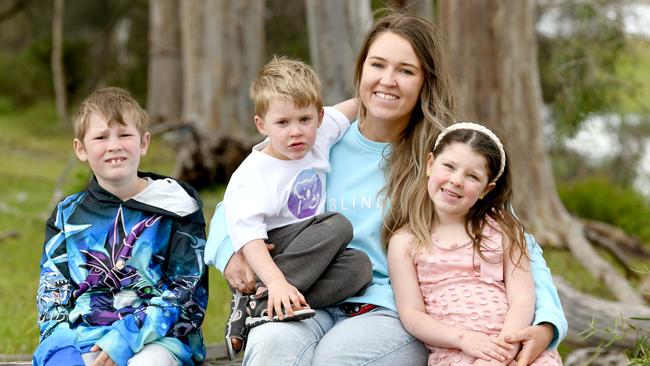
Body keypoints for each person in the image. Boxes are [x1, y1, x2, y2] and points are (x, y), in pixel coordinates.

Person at [205, 12, 567, 365]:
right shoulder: (315, 138)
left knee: (336, 358)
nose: (388, 80)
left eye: (406, 71)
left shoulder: (443, 158)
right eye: (378, 65)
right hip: (310, 293)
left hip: (392, 308)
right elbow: (237, 203)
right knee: (271, 344)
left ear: (426, 81)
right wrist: (230, 252)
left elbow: (518, 244)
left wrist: (547, 324)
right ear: (361, 69)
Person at [34, 87, 209, 366]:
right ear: (81, 148)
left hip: (158, 339)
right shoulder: (68, 214)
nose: (114, 145)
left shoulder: (177, 207)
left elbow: (188, 294)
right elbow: (52, 290)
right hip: (80, 336)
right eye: (101, 137)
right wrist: (68, 342)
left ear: (143, 142)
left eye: (124, 134)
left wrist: (125, 339)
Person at [218, 56, 371, 360]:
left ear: (319, 117)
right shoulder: (252, 176)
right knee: (338, 225)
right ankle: (268, 292)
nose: (296, 132)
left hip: (309, 252)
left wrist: (372, 93)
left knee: (359, 268)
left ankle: (260, 307)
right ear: (262, 124)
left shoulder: (320, 135)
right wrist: (274, 280)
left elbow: (352, 106)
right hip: (271, 249)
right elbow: (250, 240)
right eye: (282, 123)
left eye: (304, 120)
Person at [387, 122, 563, 365]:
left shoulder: (504, 229)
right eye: (449, 166)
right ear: (430, 164)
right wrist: (463, 339)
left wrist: (503, 350)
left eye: (472, 176)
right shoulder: (405, 242)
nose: (457, 180)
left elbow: (522, 297)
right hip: (456, 350)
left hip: (512, 346)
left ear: (486, 189)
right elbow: (412, 314)